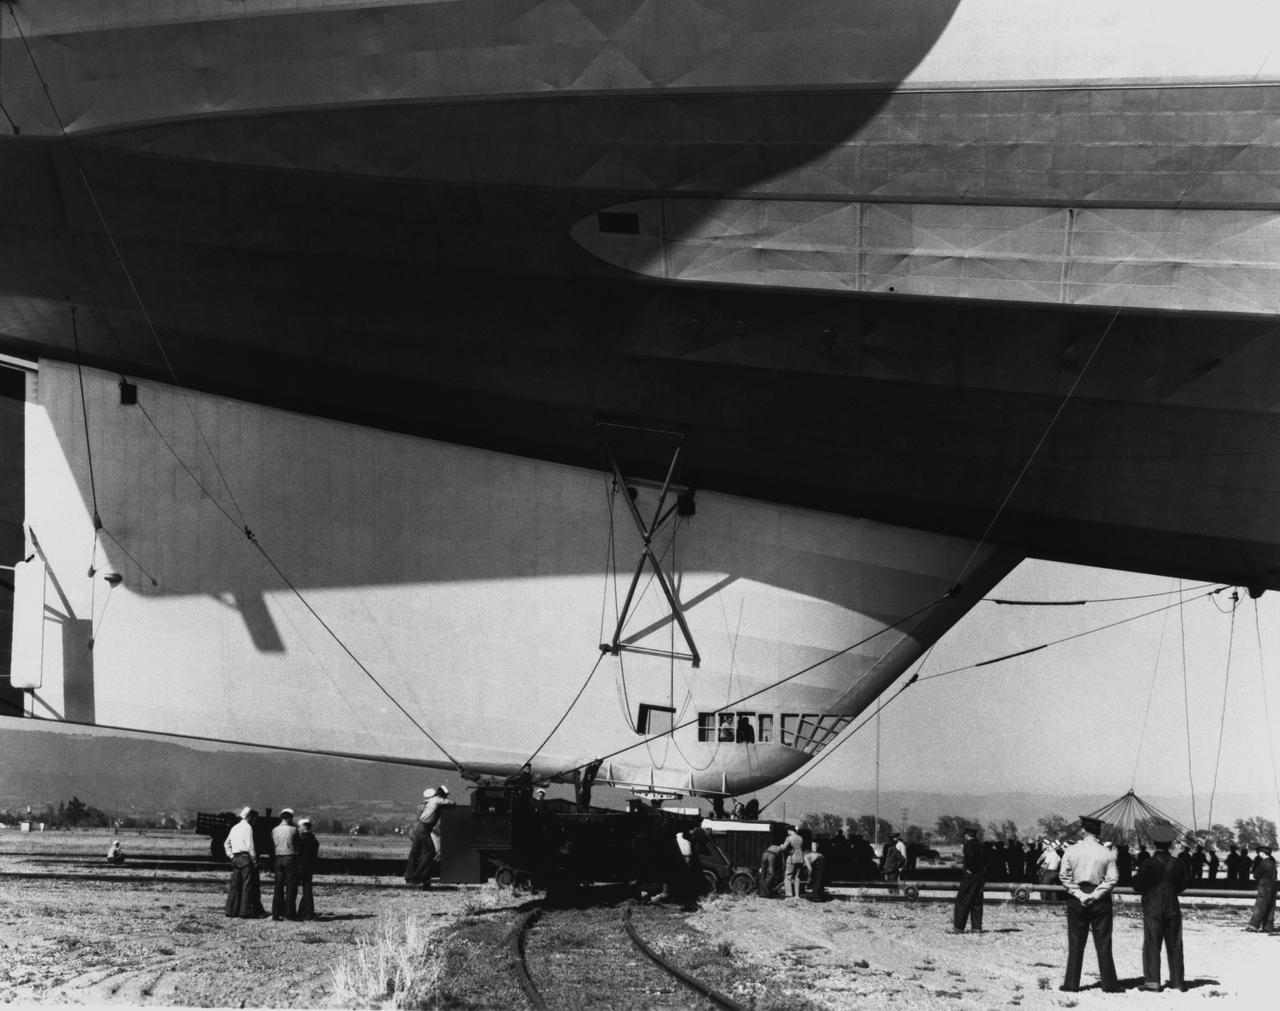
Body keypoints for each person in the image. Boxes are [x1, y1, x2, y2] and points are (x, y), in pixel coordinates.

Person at [1057, 815, 1119, 993]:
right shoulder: (1107, 853)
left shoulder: (1071, 850)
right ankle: (1109, 984)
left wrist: (1079, 894)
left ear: (1083, 830)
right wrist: (1096, 894)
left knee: (1076, 941)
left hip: (1077, 899)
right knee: (1104, 942)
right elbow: (1112, 878)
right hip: (1101, 900)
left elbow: (1064, 876)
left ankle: (1071, 984)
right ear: (1099, 832)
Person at [1131, 820, 1187, 992]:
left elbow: (1138, 885)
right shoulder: (1177, 863)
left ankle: (1152, 981)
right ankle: (1177, 982)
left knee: (1152, 943)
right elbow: (1183, 885)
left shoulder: (1148, 863)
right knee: (1175, 943)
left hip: (1153, 906)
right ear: (1170, 843)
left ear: (1154, 843)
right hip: (1172, 904)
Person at [224, 807, 262, 918]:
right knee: (247, 885)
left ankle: (230, 910)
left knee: (234, 886)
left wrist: (231, 855)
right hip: (245, 858)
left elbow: (226, 843)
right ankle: (244, 911)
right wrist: (254, 861)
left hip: (235, 858)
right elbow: (250, 846)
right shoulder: (248, 828)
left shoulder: (234, 828)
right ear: (249, 816)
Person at [952, 825, 986, 932]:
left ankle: (959, 927)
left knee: (963, 900)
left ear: (967, 836)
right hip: (980, 875)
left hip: (970, 876)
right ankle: (976, 927)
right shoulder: (980, 845)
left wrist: (969, 869)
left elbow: (970, 856)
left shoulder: (968, 844)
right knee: (977, 900)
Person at [271, 807, 301, 921]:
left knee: (278, 887)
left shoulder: (274, 830)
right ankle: (289, 913)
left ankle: (276, 913)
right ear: (290, 818)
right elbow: (298, 845)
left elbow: (274, 844)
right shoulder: (293, 830)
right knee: (290, 887)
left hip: (278, 858)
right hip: (290, 858)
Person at [1245, 844, 1276, 932]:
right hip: (1272, 885)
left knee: (1260, 905)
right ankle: (1268, 927)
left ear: (1262, 853)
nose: (1259, 854)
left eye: (1259, 852)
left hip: (1264, 885)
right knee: (1270, 906)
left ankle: (1253, 926)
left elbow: (1255, 875)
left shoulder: (1263, 863)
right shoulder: (1272, 862)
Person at [296, 817, 319, 920]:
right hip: (309, 867)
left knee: (292, 889)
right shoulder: (314, 840)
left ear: (304, 827)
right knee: (307, 889)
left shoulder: (301, 840)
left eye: (299, 826)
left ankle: (297, 912)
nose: (298, 828)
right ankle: (307, 912)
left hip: (300, 866)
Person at [782, 825, 807, 899]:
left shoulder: (789, 838)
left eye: (788, 831)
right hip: (800, 858)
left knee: (788, 877)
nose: (787, 832)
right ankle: (797, 895)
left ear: (790, 830)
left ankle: (789, 895)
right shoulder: (800, 838)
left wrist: (781, 846)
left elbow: (784, 848)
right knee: (797, 877)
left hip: (792, 858)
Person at [1038, 838, 1062, 902]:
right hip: (1055, 872)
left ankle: (1043, 901)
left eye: (1050, 847)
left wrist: (1041, 870)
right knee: (1053, 889)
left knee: (1044, 888)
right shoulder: (1058, 856)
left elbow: (1046, 864)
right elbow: (1060, 866)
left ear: (1052, 847)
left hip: (1048, 873)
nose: (1049, 848)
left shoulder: (1050, 854)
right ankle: (1054, 902)